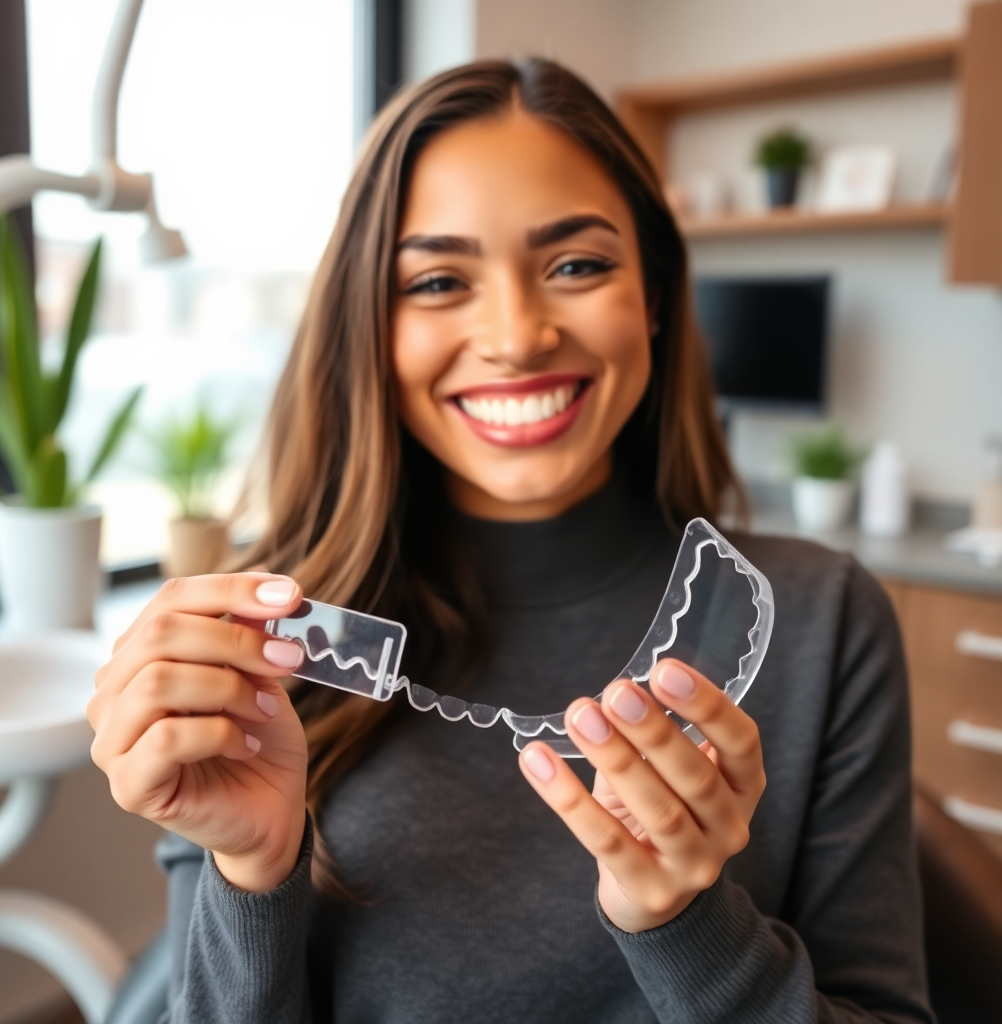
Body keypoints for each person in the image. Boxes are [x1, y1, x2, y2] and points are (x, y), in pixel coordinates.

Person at [87, 59, 933, 1023]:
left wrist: (691, 928)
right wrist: (251, 872)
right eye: (439, 281)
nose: (518, 337)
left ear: (655, 295)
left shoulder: (825, 618)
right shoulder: (267, 647)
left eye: (576, 266)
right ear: (369, 325)